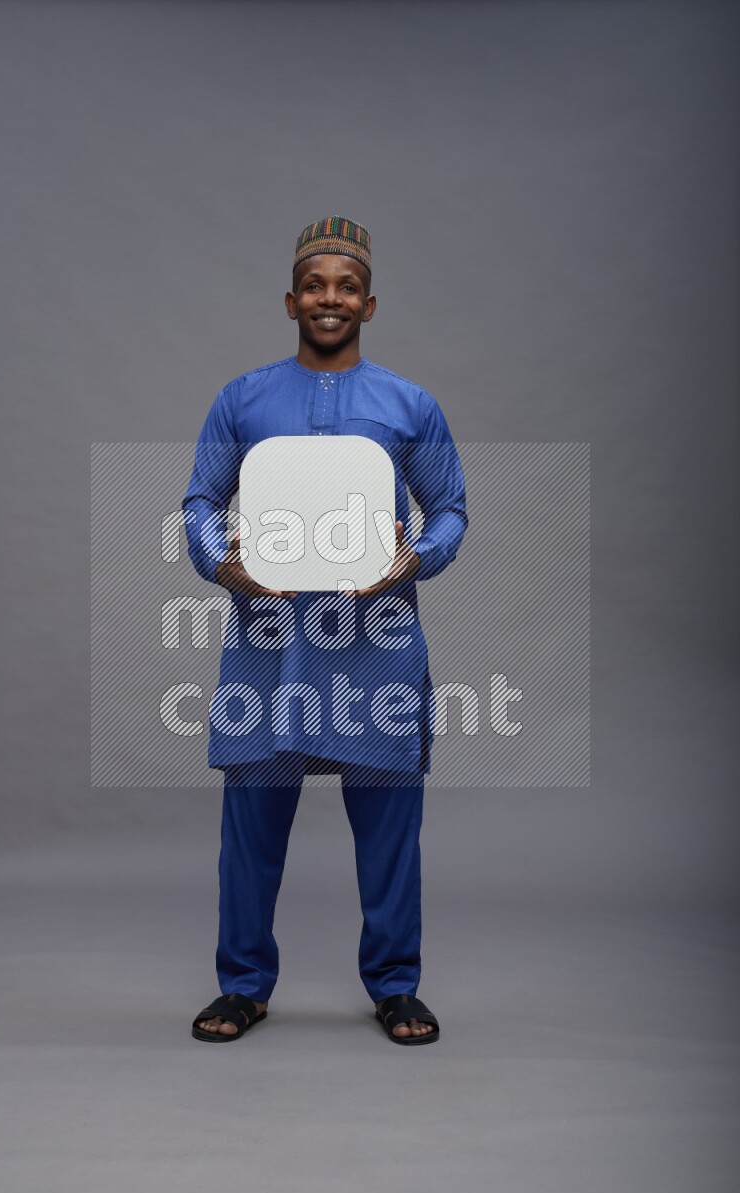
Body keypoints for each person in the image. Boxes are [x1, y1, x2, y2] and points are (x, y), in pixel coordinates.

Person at [182, 216, 467, 1045]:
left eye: (345, 286)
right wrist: (217, 562)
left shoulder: (409, 405)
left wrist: (418, 559)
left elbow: (448, 508)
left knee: (388, 831)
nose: (329, 298)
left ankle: (395, 984)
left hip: (375, 644)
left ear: (369, 303)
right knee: (250, 826)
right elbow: (200, 501)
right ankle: (243, 983)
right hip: (270, 642)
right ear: (290, 300)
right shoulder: (242, 398)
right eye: (315, 285)